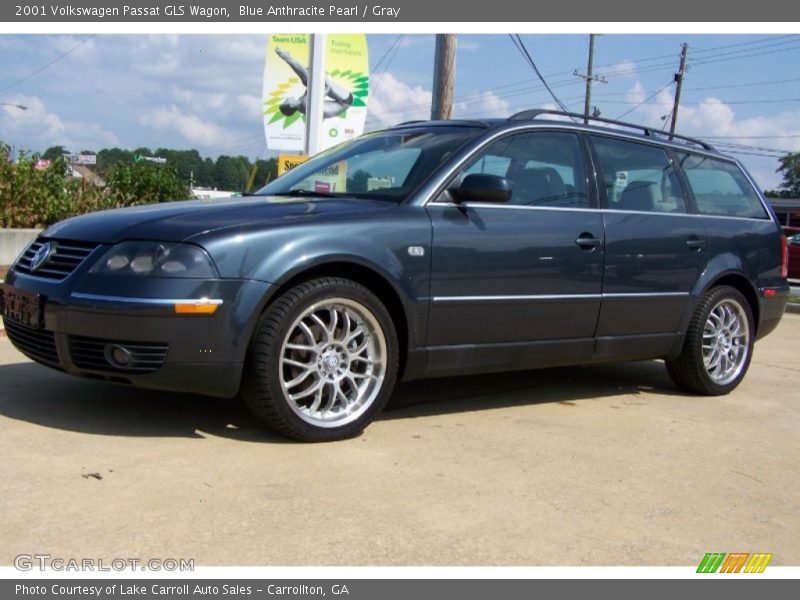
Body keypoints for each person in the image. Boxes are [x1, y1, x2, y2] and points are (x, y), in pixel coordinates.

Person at [275, 47, 354, 119]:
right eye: (285, 102)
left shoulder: (301, 105)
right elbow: (328, 87)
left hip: (342, 101)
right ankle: (286, 57)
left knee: (308, 81)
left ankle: (287, 58)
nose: (285, 99)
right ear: (291, 105)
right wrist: (322, 75)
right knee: (310, 80)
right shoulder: (305, 104)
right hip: (345, 101)